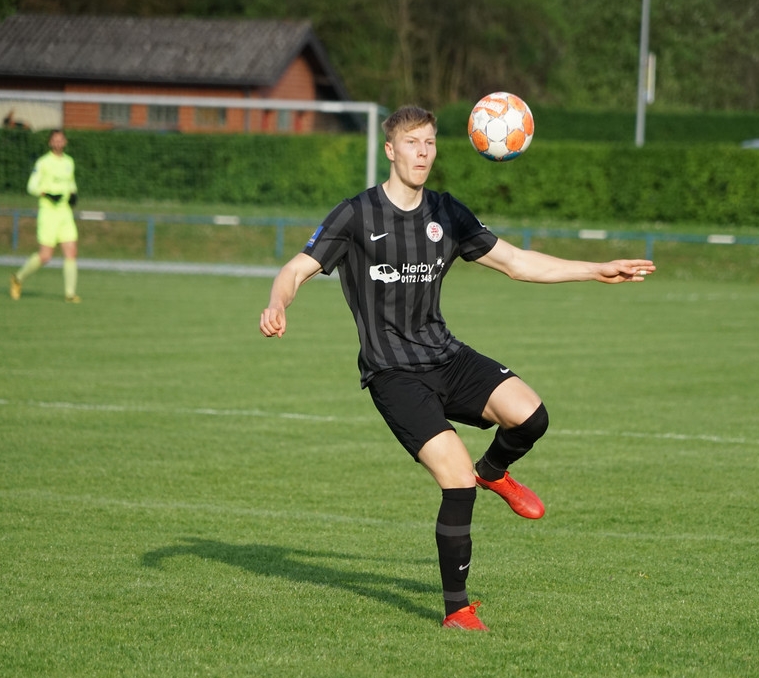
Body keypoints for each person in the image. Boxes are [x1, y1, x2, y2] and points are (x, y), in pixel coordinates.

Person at [259, 105, 656, 631]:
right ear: (390, 150)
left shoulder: (447, 212)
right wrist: (278, 302)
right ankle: (457, 610)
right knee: (455, 480)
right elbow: (296, 269)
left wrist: (596, 269)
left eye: (429, 143)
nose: (422, 153)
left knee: (531, 416)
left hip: (446, 355)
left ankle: (494, 471)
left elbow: (515, 262)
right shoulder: (356, 214)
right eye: (412, 143)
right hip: (393, 373)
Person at [10, 129, 81, 303]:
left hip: (65, 212)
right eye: (55, 140)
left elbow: (71, 183)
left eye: (61, 140)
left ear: (65, 142)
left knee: (71, 251)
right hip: (48, 213)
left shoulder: (69, 162)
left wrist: (73, 194)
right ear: (50, 143)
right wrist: (46, 193)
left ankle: (70, 294)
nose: (58, 143)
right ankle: (18, 279)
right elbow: (31, 186)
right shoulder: (43, 162)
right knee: (45, 256)